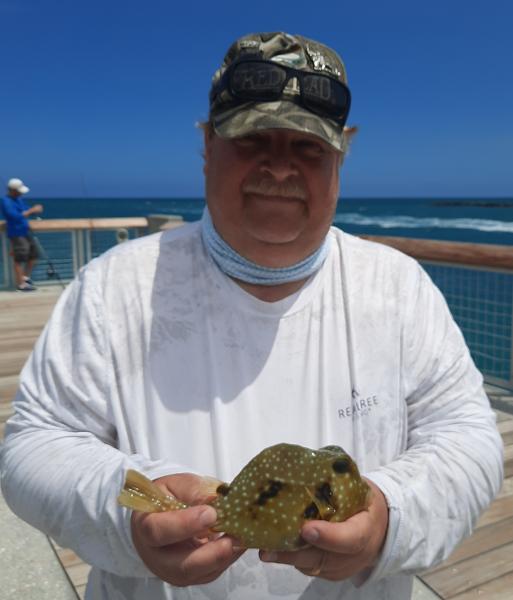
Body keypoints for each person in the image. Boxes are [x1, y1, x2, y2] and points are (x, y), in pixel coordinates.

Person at [0, 32, 503, 600]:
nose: (280, 167)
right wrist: (130, 514)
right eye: (254, 138)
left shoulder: (399, 286)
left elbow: (469, 440)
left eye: (308, 148)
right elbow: (33, 446)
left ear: (342, 153)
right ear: (208, 144)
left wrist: (388, 514)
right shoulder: (113, 287)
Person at [1, 178, 43, 291]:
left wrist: (34, 209)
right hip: (16, 233)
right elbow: (13, 216)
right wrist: (31, 211)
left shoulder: (18, 199)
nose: (20, 193)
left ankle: (25, 278)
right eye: (19, 191)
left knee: (34, 255)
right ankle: (20, 284)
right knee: (19, 258)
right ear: (13, 190)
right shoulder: (6, 201)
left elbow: (25, 209)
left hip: (25, 231)